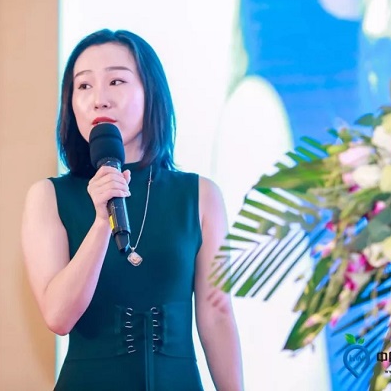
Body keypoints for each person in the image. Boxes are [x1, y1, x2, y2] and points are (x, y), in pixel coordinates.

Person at [21, 29, 244, 391]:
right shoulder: (49, 197)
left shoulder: (200, 195)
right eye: (84, 86)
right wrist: (100, 222)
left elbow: (217, 315)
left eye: (116, 81)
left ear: (150, 93)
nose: (99, 100)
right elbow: (58, 316)